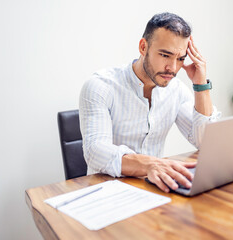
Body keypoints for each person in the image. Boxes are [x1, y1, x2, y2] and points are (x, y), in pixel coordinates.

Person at [79, 12, 220, 193]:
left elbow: (206, 142)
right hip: (106, 191)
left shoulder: (176, 89)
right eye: (165, 55)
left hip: (154, 190)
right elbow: (95, 152)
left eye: (181, 59)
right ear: (143, 47)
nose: (173, 68)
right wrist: (152, 164)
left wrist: (201, 85)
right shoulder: (100, 86)